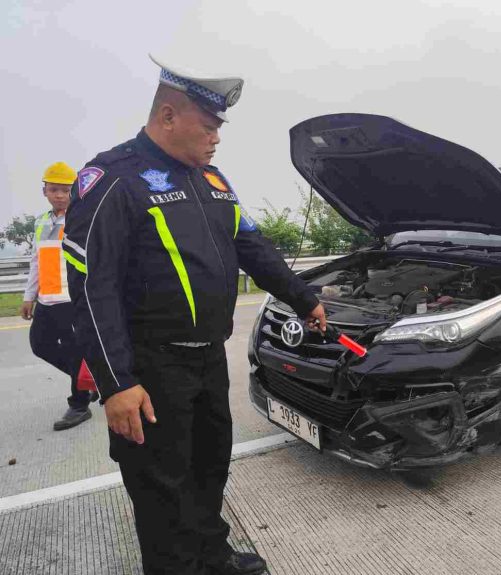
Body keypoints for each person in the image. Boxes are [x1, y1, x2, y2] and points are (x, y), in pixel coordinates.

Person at [63, 54, 326, 575]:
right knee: (161, 485)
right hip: (149, 368)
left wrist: (304, 296)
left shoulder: (213, 181)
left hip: (207, 360)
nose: (216, 138)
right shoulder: (113, 180)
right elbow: (93, 290)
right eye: (208, 126)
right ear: (167, 116)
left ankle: (211, 554)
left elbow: (253, 247)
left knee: (209, 467)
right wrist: (116, 384)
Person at [22, 161, 97, 430]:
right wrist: (29, 296)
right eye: (54, 190)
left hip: (71, 298)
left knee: (76, 351)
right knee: (40, 345)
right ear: (45, 191)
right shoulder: (41, 222)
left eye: (66, 191)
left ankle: (79, 405)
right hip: (46, 298)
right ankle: (91, 381)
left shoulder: (81, 219)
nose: (60, 196)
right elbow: (36, 261)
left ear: (74, 191)